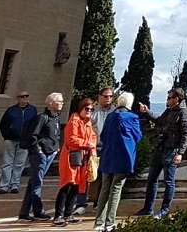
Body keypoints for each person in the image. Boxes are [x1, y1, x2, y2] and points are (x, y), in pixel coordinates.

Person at [134, 88, 187, 218]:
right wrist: (147, 112)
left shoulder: (185, 113)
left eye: (169, 98)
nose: (167, 100)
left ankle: (164, 210)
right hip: (160, 149)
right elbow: (159, 120)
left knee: (169, 182)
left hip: (172, 151)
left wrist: (180, 153)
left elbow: (186, 135)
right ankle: (148, 208)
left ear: (176, 99)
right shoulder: (169, 111)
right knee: (152, 179)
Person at [91, 92, 142, 232]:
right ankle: (109, 223)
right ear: (129, 104)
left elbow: (103, 136)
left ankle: (99, 222)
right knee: (116, 189)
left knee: (105, 188)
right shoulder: (132, 117)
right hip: (124, 157)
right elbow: (138, 136)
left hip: (108, 156)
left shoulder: (111, 116)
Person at [17, 92, 63, 221]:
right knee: (37, 183)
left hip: (50, 153)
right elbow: (33, 136)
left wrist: (56, 149)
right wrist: (39, 151)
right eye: (59, 101)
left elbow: (56, 135)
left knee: (33, 182)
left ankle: (24, 212)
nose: (61, 104)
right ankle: (38, 211)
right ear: (51, 103)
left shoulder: (56, 118)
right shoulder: (42, 118)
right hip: (40, 154)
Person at [52, 98, 97, 225]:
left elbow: (93, 137)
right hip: (71, 157)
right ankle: (58, 215)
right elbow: (71, 139)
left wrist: (91, 146)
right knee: (66, 185)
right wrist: (88, 144)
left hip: (81, 158)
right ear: (81, 108)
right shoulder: (74, 121)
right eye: (87, 108)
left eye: (91, 109)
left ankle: (68, 214)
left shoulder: (87, 123)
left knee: (76, 186)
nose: (89, 111)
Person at [77, 85, 116, 214]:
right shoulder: (92, 111)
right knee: (87, 175)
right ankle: (81, 203)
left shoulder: (115, 112)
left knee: (104, 177)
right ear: (99, 97)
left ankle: (98, 203)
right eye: (106, 96)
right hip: (92, 148)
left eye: (111, 96)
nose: (108, 99)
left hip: (108, 149)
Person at [0, 91, 36, 194]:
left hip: (24, 140)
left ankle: (15, 184)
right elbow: (3, 124)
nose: (25, 98)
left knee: (19, 163)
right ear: (17, 98)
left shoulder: (32, 110)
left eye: (27, 96)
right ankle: (4, 185)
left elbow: (34, 125)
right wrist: (6, 135)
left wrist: (30, 137)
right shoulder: (11, 110)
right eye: (22, 96)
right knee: (7, 162)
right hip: (10, 139)